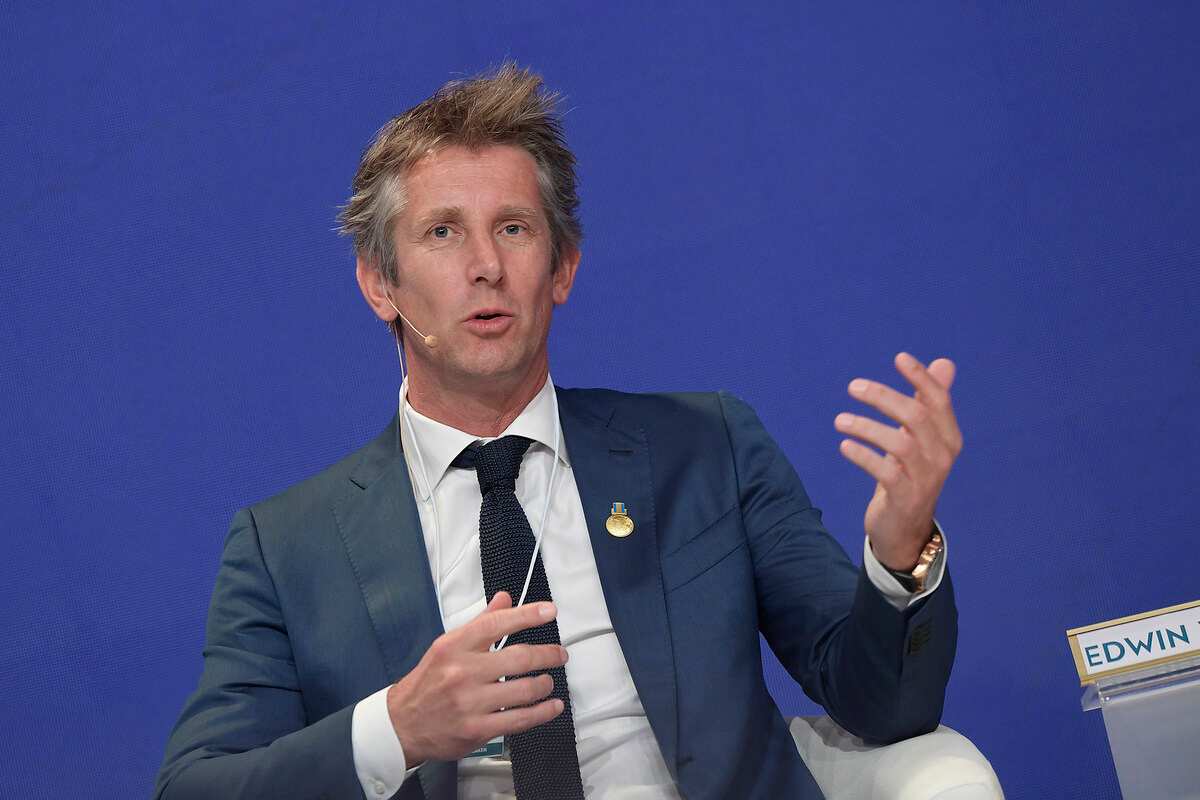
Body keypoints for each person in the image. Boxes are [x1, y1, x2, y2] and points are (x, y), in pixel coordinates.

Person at [155, 63, 961, 800]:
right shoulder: (287, 547)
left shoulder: (705, 449)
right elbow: (194, 788)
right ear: (380, 285)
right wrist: (398, 728)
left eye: (513, 228)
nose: (486, 266)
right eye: (443, 232)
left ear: (562, 267)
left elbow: (883, 705)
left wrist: (901, 554)